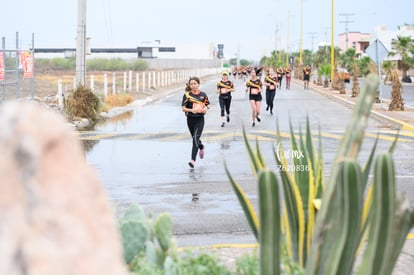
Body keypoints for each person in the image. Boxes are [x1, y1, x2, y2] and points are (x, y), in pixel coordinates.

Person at [181, 77, 210, 168]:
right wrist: (191, 110)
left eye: (195, 84)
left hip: (200, 119)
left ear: (198, 84)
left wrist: (205, 108)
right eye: (191, 84)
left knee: (195, 139)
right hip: (190, 119)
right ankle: (201, 147)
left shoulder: (203, 95)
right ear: (190, 85)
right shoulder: (187, 95)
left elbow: (207, 104)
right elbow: (183, 108)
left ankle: (192, 160)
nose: (193, 85)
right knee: (195, 138)